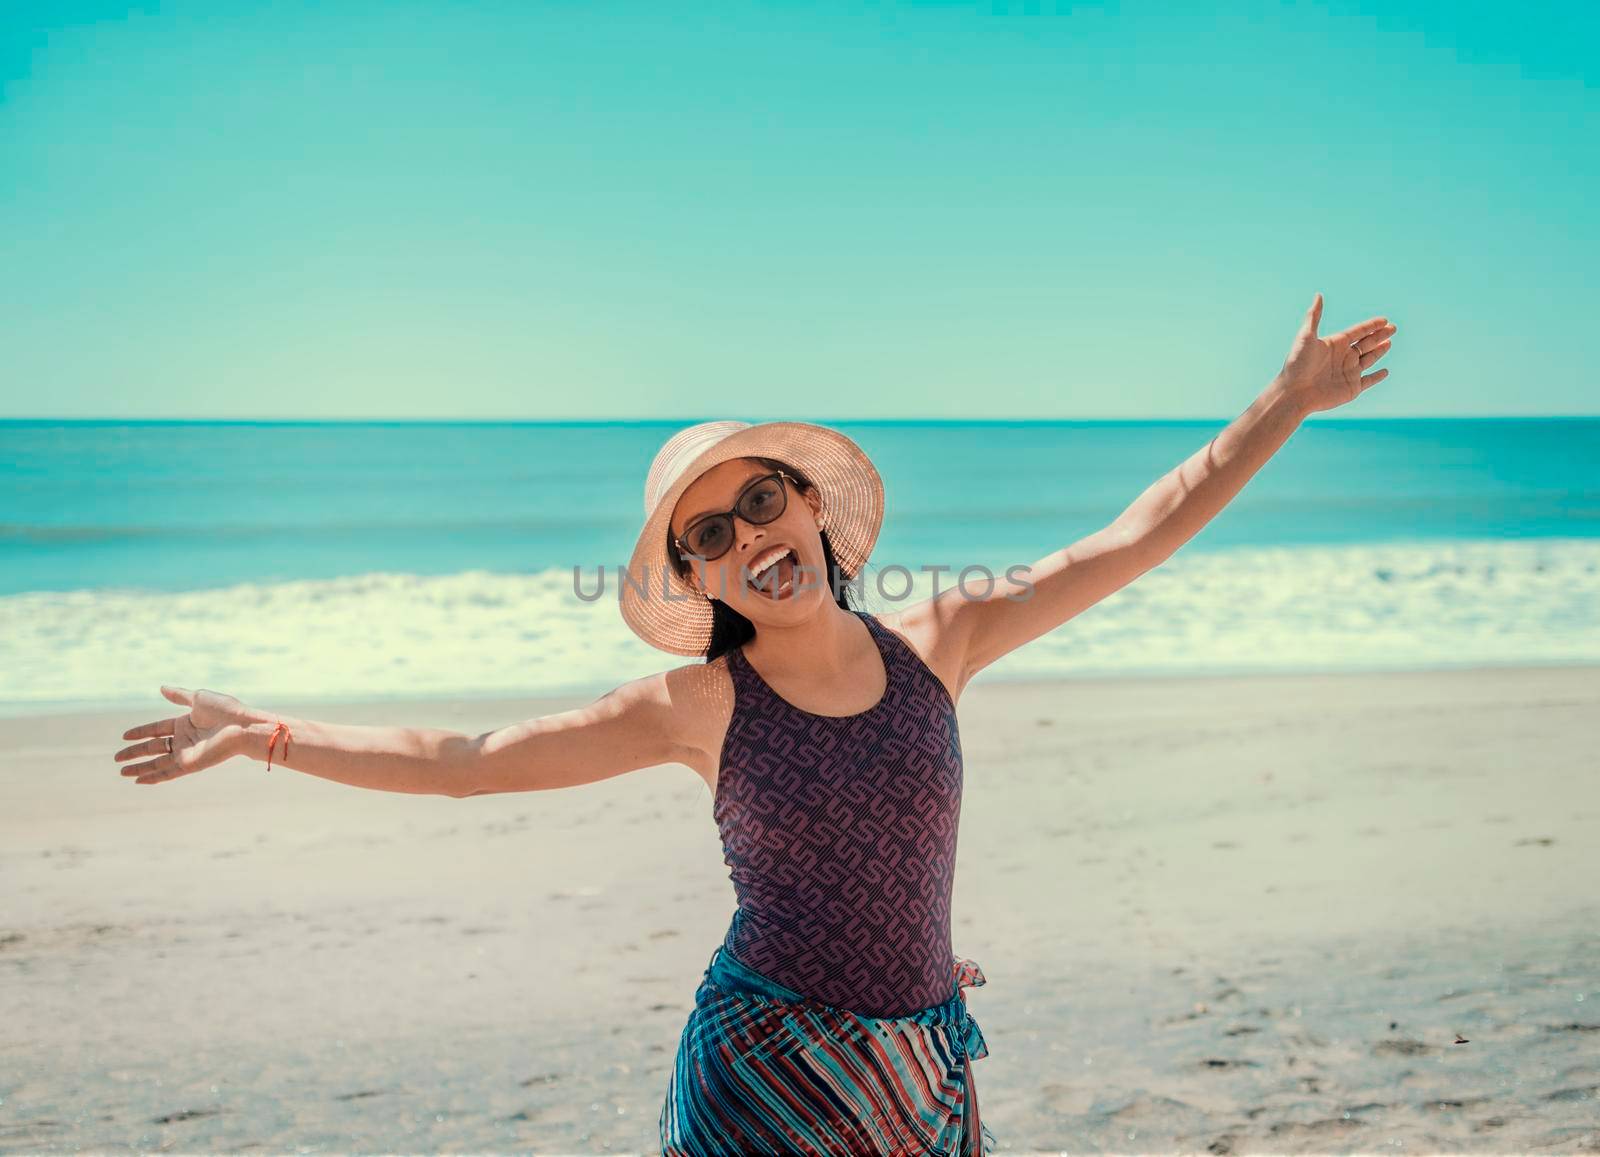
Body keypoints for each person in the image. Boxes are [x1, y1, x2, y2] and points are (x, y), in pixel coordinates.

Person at [113, 295, 1396, 1155]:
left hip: (926, 1066)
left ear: (813, 510)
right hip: (764, 1071)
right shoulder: (697, 703)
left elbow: (1135, 535)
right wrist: (268, 731)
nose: (750, 537)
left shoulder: (940, 639)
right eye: (709, 534)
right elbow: (465, 764)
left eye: (763, 501)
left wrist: (1281, 403)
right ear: (698, 576)